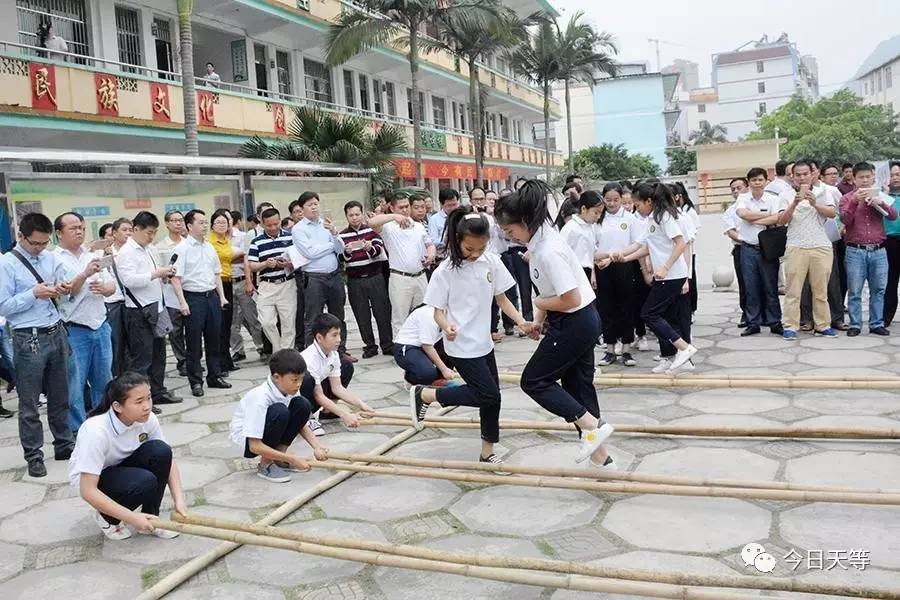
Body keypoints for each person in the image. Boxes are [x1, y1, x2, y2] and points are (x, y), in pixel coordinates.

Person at [494, 181, 615, 469]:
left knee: (534, 381)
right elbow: (550, 291)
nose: (510, 237)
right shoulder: (541, 241)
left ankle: (591, 425)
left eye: (510, 231)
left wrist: (539, 306)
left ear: (525, 222)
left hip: (575, 320)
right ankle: (602, 460)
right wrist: (538, 320)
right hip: (578, 319)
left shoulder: (548, 249)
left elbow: (568, 298)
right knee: (578, 387)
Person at [410, 208, 529, 468]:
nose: (475, 254)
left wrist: (521, 322)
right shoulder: (445, 271)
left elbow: (502, 299)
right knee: (489, 396)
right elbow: (437, 311)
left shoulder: (492, 261)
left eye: (481, 248)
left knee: (491, 397)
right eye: (469, 249)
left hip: (484, 343)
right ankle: (428, 396)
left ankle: (487, 452)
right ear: (456, 240)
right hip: (460, 345)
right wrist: (447, 326)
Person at [0, 212, 76, 477]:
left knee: (60, 396)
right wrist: (34, 293)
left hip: (55, 332)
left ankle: (64, 444)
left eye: (44, 243)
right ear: (21, 236)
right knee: (30, 403)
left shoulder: (50, 257)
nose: (40, 248)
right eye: (35, 243)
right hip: (27, 338)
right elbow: (4, 306)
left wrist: (63, 287)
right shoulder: (6, 264)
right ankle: (34, 455)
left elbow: (61, 282)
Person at [69, 373, 186, 540]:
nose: (147, 406)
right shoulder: (96, 431)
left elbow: (168, 461)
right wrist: (132, 518)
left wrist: (179, 501)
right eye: (139, 402)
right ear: (117, 406)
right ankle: (108, 518)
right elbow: (87, 491)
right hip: (93, 478)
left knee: (161, 451)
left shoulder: (148, 418)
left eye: (148, 398)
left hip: (123, 466)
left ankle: (151, 519)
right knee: (145, 480)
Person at [613, 183, 697, 374]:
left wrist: (666, 268)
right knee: (665, 316)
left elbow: (681, 243)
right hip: (665, 276)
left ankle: (684, 348)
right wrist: (620, 257)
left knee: (649, 314)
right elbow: (641, 246)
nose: (636, 207)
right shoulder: (652, 219)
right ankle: (669, 357)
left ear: (649, 201)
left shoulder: (665, 217)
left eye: (637, 204)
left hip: (672, 275)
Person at [54, 212, 116, 431]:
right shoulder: (55, 259)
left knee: (104, 381)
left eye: (81, 227)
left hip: (100, 325)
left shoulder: (92, 255)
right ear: (59, 233)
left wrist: (106, 288)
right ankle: (78, 431)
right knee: (75, 386)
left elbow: (111, 286)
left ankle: (104, 427)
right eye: (73, 228)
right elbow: (63, 294)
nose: (79, 231)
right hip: (75, 330)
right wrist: (84, 274)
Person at [229, 349, 329, 483]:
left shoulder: (289, 388)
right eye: (294, 380)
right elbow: (254, 446)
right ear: (276, 377)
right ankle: (266, 464)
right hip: (248, 442)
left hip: (266, 432)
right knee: (280, 412)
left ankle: (279, 458)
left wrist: (317, 447)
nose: (299, 384)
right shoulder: (260, 398)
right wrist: (292, 459)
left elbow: (300, 423)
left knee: (302, 404)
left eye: (301, 379)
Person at [117, 211, 179, 411]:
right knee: (142, 358)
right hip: (138, 311)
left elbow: (155, 274)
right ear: (136, 229)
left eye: (153, 233)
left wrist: (164, 274)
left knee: (159, 354)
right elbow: (129, 281)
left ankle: (157, 391)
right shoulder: (127, 252)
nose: (151, 237)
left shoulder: (149, 248)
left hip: (156, 307)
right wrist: (156, 274)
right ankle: (139, 399)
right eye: (148, 233)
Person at [171, 210, 231, 397]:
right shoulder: (182, 248)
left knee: (214, 338)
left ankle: (214, 375)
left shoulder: (209, 247)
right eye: (201, 222)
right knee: (194, 342)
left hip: (211, 296)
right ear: (189, 226)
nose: (205, 226)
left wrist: (221, 297)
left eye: (206, 222)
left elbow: (216, 273)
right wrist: (182, 302)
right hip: (193, 298)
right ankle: (196, 381)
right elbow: (175, 278)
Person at [776, 160, 838, 339]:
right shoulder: (785, 195)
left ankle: (822, 325)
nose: (802, 178)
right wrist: (794, 204)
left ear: (812, 174)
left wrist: (814, 203)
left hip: (821, 246)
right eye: (798, 175)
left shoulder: (823, 192)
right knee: (793, 290)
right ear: (792, 177)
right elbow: (781, 220)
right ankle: (790, 326)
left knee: (820, 290)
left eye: (805, 174)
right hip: (796, 246)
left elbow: (832, 214)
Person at [291, 192, 353, 360]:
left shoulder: (326, 225)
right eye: (310, 204)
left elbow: (341, 249)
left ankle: (339, 351)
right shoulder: (298, 229)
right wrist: (330, 245)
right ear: (302, 208)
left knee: (338, 315)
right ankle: (313, 356)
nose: (314, 207)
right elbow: (310, 253)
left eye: (316, 204)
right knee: (313, 318)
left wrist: (334, 233)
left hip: (334, 276)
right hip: (314, 278)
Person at [840, 161, 898, 336]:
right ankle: (855, 324)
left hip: (879, 249)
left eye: (867, 177)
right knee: (855, 290)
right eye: (861, 177)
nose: (864, 180)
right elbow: (844, 220)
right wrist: (854, 203)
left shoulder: (881, 195)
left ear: (873, 176)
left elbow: (893, 216)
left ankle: (876, 323)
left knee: (879, 289)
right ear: (854, 179)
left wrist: (881, 203)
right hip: (855, 250)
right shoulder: (846, 198)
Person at [368, 193, 435, 335]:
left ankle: (424, 347)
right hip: (400, 278)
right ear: (392, 208)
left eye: (407, 206)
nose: (405, 210)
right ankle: (401, 349)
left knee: (425, 314)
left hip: (420, 275)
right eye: (401, 207)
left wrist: (431, 254)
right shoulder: (388, 227)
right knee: (400, 317)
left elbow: (429, 244)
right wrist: (394, 217)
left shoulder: (418, 226)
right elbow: (372, 222)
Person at [299, 314, 373, 436]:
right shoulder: (309, 359)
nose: (339, 339)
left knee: (346, 366)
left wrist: (361, 405)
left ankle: (329, 411)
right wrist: (344, 415)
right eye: (334, 335)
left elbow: (337, 387)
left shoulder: (333, 354)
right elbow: (318, 395)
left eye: (339, 334)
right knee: (307, 378)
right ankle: (307, 418)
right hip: (300, 400)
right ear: (319, 337)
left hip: (317, 393)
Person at [340, 201, 393, 359]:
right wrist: (346, 252)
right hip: (355, 279)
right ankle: (369, 345)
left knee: (382, 312)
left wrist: (369, 248)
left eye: (357, 214)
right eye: (351, 215)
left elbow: (379, 250)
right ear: (346, 216)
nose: (355, 218)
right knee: (361, 314)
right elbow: (341, 258)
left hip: (375, 277)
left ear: (362, 214)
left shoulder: (372, 231)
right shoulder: (342, 235)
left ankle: (387, 344)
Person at [735, 168, 784, 336]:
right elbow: (742, 214)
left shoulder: (773, 198)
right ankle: (753, 322)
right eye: (754, 180)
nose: (757, 183)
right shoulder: (742, 198)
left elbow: (777, 218)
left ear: (766, 181)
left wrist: (753, 218)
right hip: (747, 249)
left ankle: (775, 322)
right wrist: (765, 217)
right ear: (749, 182)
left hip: (767, 249)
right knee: (751, 288)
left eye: (760, 180)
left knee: (771, 287)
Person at [594, 184, 639, 366]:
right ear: (603, 199)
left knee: (626, 307)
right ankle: (610, 349)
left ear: (622, 199)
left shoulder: (630, 218)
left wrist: (618, 255)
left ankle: (627, 349)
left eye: (616, 200)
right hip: (602, 267)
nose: (612, 203)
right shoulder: (598, 220)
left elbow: (636, 243)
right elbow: (593, 245)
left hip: (624, 266)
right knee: (606, 308)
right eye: (608, 200)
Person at [248, 207, 296, 352]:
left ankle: (286, 354)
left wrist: (287, 264)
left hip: (287, 284)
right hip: (266, 286)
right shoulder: (256, 242)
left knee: (288, 323)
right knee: (266, 322)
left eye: (276, 224)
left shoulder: (290, 238)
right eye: (269, 225)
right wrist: (265, 264)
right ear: (262, 224)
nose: (273, 227)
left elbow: (299, 260)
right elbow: (252, 265)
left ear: (280, 220)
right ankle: (278, 348)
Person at [154, 211, 187, 376]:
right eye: (174, 221)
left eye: (180, 220)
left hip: (188, 291)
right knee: (175, 331)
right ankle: (182, 361)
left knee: (192, 329)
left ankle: (193, 359)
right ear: (167, 224)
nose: (178, 223)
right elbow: (158, 272)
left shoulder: (188, 243)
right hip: (170, 294)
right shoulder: (160, 247)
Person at [228, 210, 264, 361]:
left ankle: (261, 346)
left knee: (252, 317)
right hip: (227, 283)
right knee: (232, 321)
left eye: (227, 219)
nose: (224, 223)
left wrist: (249, 281)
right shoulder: (213, 241)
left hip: (243, 280)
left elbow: (246, 259)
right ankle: (238, 350)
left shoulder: (243, 237)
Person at [209, 209, 240, 372]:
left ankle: (226, 359)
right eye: (218, 222)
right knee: (218, 326)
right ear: (212, 225)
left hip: (228, 282)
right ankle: (219, 363)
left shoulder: (226, 240)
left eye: (225, 222)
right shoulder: (210, 242)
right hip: (215, 285)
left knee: (227, 324)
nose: (222, 225)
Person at [394, 304, 457, 385]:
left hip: (431, 343)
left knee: (452, 348)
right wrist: (444, 369)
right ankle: (410, 377)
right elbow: (427, 347)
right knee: (427, 374)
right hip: (408, 347)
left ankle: (438, 379)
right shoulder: (429, 315)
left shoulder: (449, 313)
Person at [104, 218, 132, 377]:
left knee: (133, 345)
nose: (128, 233)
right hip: (114, 304)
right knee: (116, 343)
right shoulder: (105, 254)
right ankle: (117, 378)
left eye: (130, 229)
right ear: (114, 233)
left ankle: (132, 379)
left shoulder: (137, 251)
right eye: (124, 230)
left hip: (133, 304)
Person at [672, 182, 701, 316]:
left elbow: (692, 234)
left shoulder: (687, 212)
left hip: (687, 252)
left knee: (689, 282)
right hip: (675, 255)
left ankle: (691, 310)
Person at [724, 178, 749, 327]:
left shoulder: (756, 205)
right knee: (744, 284)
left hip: (762, 247)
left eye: (739, 188)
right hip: (741, 248)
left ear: (747, 187)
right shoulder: (730, 211)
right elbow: (730, 231)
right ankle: (747, 313)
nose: (736, 191)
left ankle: (767, 313)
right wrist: (746, 240)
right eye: (733, 189)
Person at [883, 162, 900, 327]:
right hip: (888, 242)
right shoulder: (881, 196)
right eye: (892, 175)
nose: (895, 178)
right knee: (890, 281)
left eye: (898, 175)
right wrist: (885, 195)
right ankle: (886, 317)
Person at [428, 188, 461, 257]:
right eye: (449, 205)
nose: (453, 208)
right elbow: (432, 242)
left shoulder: (462, 216)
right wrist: (445, 240)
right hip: (443, 257)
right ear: (442, 204)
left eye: (454, 204)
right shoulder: (434, 219)